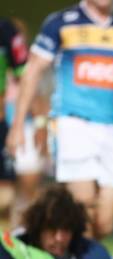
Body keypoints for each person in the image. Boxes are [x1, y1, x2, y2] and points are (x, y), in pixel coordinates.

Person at [7, 0, 113, 240]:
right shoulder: (61, 23)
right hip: (71, 123)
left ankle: (47, 234)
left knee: (104, 224)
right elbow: (33, 70)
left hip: (110, 128)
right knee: (83, 207)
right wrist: (18, 125)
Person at [0, 18, 29, 228]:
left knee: (6, 196)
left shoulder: (6, 30)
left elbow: (26, 76)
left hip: (0, 123)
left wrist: (31, 121)